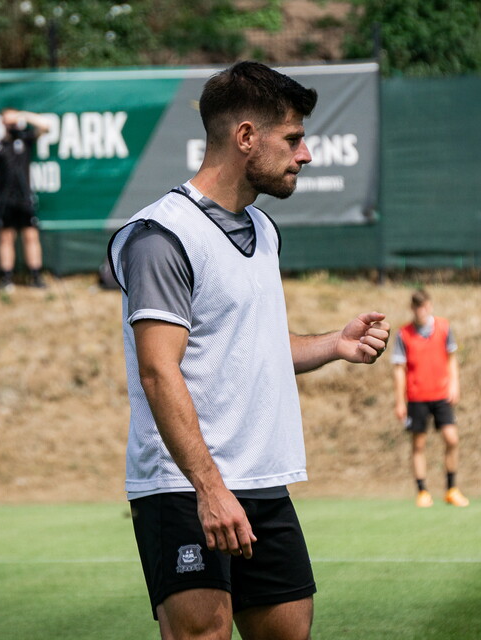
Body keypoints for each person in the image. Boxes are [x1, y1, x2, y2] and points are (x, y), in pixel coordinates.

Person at [107, 61, 390, 640]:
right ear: (244, 137)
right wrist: (209, 488)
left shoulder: (263, 229)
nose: (304, 154)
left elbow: (253, 347)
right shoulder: (161, 237)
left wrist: (334, 344)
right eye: (293, 138)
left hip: (263, 481)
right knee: (202, 633)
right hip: (185, 487)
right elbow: (159, 372)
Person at [391, 289, 469, 508]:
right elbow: (399, 369)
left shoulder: (444, 327)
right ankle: (422, 491)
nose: (420, 310)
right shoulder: (403, 333)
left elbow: (451, 358)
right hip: (417, 396)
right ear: (412, 309)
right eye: (416, 306)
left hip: (441, 394)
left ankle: (451, 489)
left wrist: (454, 384)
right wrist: (399, 401)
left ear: (430, 306)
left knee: (452, 438)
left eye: (423, 306)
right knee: (419, 444)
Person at [0, 108, 50, 291]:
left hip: (25, 198)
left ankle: (35, 276)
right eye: (7, 122)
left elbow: (46, 126)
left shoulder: (25, 139)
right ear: (1, 123)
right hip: (4, 199)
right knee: (5, 237)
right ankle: (6, 278)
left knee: (31, 236)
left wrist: (24, 116)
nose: (11, 125)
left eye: (13, 121)